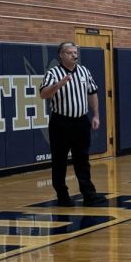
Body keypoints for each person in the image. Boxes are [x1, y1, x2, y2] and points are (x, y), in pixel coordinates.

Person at [39, 41, 106, 207]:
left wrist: (96, 115)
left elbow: (92, 92)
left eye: (75, 52)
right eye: (70, 53)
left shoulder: (84, 71)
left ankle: (88, 194)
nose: (74, 55)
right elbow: (43, 94)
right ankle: (62, 195)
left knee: (82, 160)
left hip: (81, 121)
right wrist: (59, 84)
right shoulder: (53, 72)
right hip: (61, 123)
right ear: (61, 55)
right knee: (59, 160)